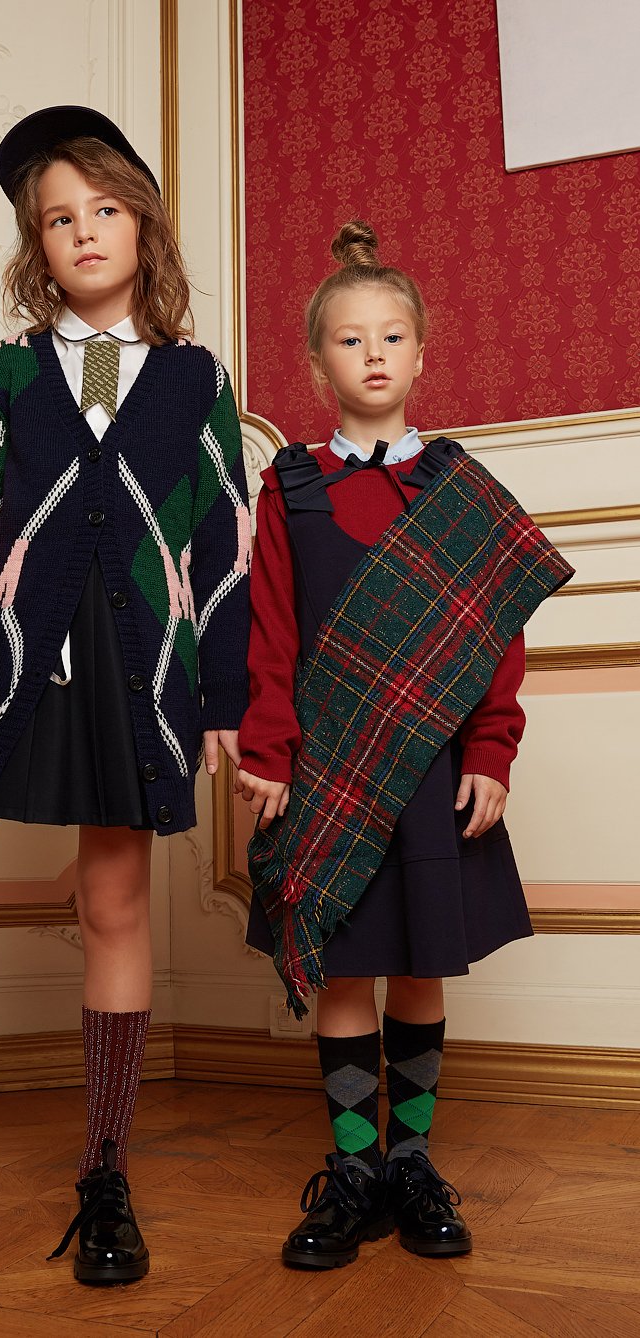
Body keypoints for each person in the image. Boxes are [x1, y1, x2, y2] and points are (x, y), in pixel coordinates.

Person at [0, 106, 251, 1287]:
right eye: (57, 219)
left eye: (104, 209)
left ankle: (104, 1167)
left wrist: (221, 696)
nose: (83, 232)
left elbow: (224, 545)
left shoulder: (194, 379)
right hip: (3, 669)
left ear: (142, 226)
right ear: (36, 245)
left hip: (135, 677)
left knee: (114, 911)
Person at [235, 220, 572, 1270]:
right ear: (316, 365)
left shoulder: (461, 490)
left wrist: (491, 754)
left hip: (433, 774)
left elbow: (496, 642)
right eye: (349, 340)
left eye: (391, 337)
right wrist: (268, 754)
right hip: (330, 772)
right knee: (343, 970)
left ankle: (412, 1163)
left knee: (421, 968)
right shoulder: (289, 486)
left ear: (422, 355)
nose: (372, 354)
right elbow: (270, 634)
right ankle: (354, 1171)